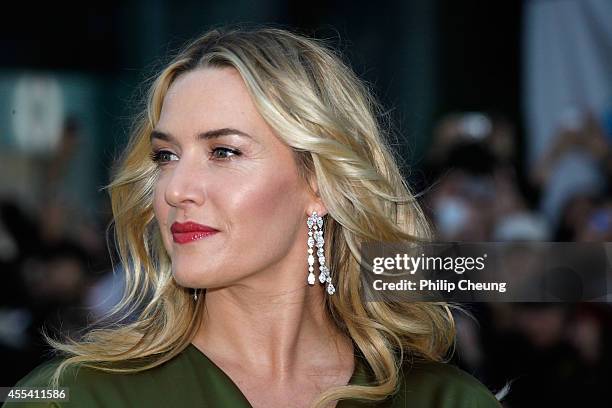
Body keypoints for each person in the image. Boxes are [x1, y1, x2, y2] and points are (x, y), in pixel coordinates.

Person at [3, 26, 502, 408]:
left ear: (319, 184)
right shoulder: (74, 397)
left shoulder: (442, 399)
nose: (175, 189)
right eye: (165, 156)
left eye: (223, 152)